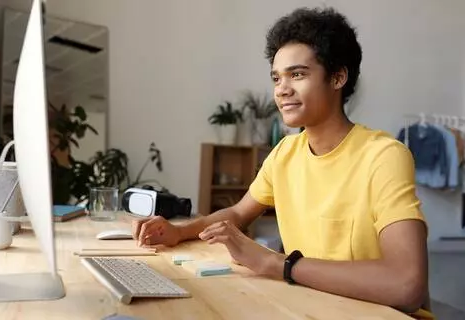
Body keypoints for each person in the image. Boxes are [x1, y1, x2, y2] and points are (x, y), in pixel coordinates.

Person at [132, 7, 433, 320]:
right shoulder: (285, 152)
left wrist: (278, 264)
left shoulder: (384, 156)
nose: (282, 89)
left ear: (338, 77)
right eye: (277, 77)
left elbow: (406, 285)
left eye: (298, 74)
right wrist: (180, 232)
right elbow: (237, 213)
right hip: (309, 308)